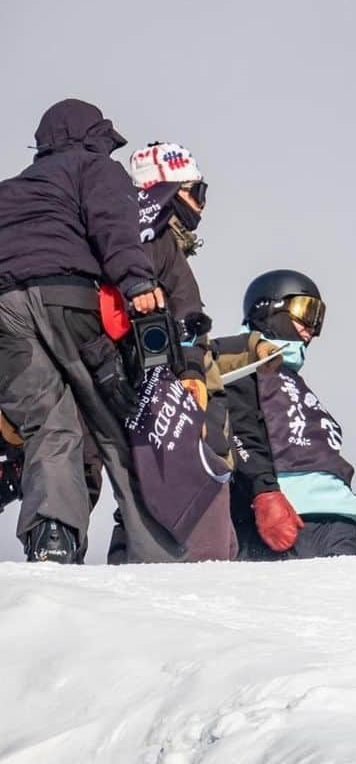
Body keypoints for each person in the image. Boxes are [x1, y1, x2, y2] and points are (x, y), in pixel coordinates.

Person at [0, 100, 182, 562]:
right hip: (68, 298)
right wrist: (136, 281)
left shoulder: (10, 190)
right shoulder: (95, 168)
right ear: (94, 136)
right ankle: (157, 550)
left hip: (4, 311)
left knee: (49, 423)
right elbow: (112, 225)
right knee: (117, 424)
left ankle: (53, 540)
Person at [107, 142, 243, 562]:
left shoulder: (146, 243)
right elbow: (184, 318)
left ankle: (131, 562)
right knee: (174, 491)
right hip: (165, 394)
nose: (201, 207)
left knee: (146, 490)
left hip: (156, 390)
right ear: (167, 192)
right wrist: (191, 374)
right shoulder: (152, 243)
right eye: (196, 192)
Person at [224, 270, 356, 559]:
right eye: (305, 311)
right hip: (286, 515)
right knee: (291, 604)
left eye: (318, 318)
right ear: (269, 309)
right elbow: (240, 429)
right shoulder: (242, 365)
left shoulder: (292, 381)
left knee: (350, 603)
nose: (311, 328)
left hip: (339, 520)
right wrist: (264, 492)